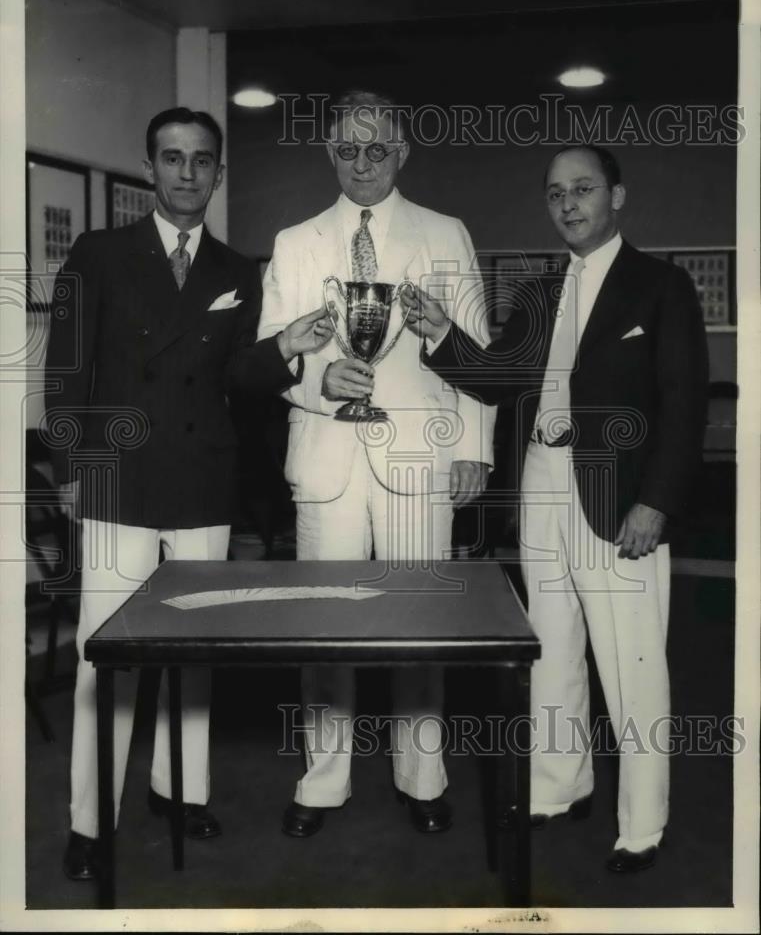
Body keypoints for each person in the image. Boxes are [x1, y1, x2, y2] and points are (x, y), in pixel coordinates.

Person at [402, 144, 709, 872]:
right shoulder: (538, 293)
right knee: (552, 650)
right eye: (554, 193)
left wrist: (654, 504)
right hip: (541, 485)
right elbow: (494, 378)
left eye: (583, 189)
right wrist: (441, 330)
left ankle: (641, 825)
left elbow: (683, 407)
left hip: (618, 497)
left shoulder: (661, 286)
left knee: (631, 666)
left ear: (617, 196)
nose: (568, 204)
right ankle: (557, 785)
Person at [45, 106, 334, 880]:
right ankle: (89, 821)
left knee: (194, 649)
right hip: (118, 481)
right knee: (103, 655)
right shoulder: (98, 254)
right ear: (149, 169)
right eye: (172, 158)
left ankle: (181, 791)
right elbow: (66, 372)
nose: (186, 172)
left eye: (201, 160)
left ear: (217, 173)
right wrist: (75, 470)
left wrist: (285, 349)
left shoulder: (239, 271)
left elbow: (241, 376)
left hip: (204, 481)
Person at [254, 90, 496, 837]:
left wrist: (473, 449)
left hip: (420, 454)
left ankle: (421, 775)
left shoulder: (443, 232)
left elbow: (477, 351)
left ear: (402, 152)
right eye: (348, 150)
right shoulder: (296, 241)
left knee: (417, 619)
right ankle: (321, 781)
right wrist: (315, 380)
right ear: (329, 154)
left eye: (377, 149)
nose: (362, 164)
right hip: (325, 456)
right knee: (325, 623)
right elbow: (269, 350)